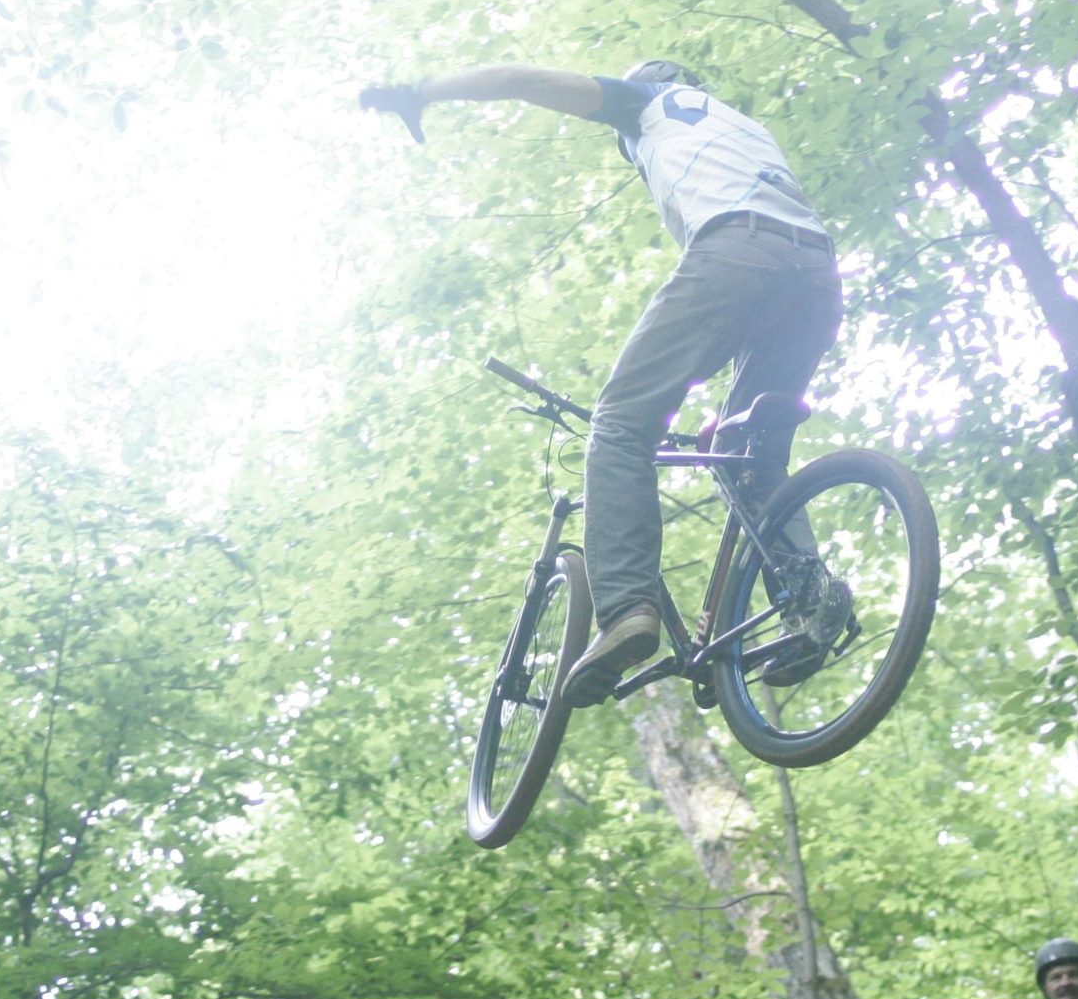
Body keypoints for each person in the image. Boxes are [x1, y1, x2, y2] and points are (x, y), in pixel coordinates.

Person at [359, 60, 841, 706]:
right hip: (816, 275)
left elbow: (517, 80)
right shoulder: (744, 127)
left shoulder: (650, 103)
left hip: (736, 250)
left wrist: (420, 89)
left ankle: (626, 611)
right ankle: (809, 599)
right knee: (750, 458)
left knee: (621, 423)